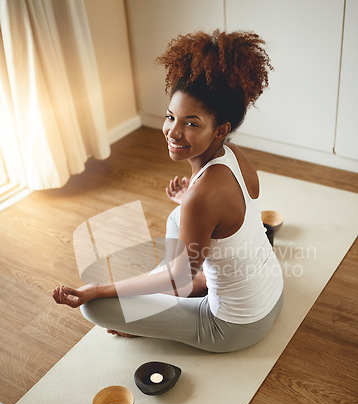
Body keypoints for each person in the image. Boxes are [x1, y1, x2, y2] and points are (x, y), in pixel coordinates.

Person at [53, 30, 283, 353]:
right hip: (273, 292)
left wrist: (100, 289)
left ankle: (162, 313)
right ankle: (197, 285)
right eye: (170, 117)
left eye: (191, 123)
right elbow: (231, 220)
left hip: (235, 326)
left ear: (220, 130)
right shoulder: (236, 157)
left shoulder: (201, 197)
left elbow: (178, 279)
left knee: (95, 307)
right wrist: (190, 202)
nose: (173, 132)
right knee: (179, 218)